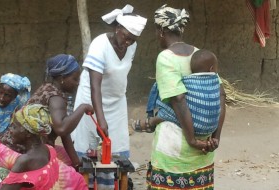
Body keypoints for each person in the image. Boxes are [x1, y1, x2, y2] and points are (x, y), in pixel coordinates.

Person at [146, 5, 226, 189]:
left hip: (176, 148)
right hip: (205, 147)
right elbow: (220, 94)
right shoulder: (199, 53)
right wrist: (215, 138)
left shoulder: (165, 58)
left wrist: (192, 140)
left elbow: (178, 99)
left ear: (161, 31)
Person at [70, 4, 147, 189]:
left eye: (133, 39)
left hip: (117, 101)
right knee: (88, 146)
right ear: (117, 28)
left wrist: (106, 118)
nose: (128, 42)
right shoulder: (100, 44)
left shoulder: (132, 46)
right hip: (91, 101)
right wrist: (101, 119)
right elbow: (95, 86)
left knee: (117, 147)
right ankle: (86, 184)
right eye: (126, 37)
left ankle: (111, 185)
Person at [0, 54, 93, 170]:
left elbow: (64, 132)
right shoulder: (55, 97)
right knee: (68, 178)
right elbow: (62, 128)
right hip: (16, 151)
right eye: (75, 79)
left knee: (69, 160)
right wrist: (82, 107)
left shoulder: (47, 88)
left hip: (6, 147)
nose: (77, 83)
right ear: (62, 78)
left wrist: (76, 162)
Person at [0, 104, 87, 190]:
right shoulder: (48, 148)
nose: (10, 131)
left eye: (14, 127)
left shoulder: (25, 161)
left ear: (28, 133)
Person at [132, 49, 220, 134]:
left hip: (193, 124)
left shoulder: (186, 81)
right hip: (211, 127)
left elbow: (178, 98)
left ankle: (151, 121)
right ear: (211, 69)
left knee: (170, 105)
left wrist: (191, 140)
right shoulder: (215, 81)